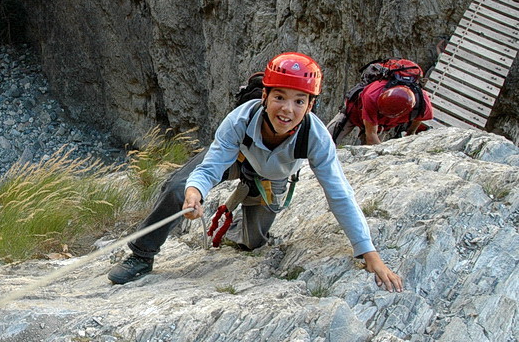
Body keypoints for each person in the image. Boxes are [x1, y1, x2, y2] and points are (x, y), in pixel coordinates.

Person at [108, 52, 403, 292]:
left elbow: (339, 194)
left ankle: (237, 225)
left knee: (251, 242)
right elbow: (211, 166)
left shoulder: (316, 137)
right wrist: (194, 193)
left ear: (311, 105)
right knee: (176, 188)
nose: (287, 109)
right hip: (235, 159)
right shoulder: (241, 119)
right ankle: (141, 256)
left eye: (299, 101)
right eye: (280, 97)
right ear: (265, 96)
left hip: (272, 177)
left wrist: (368, 253)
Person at [328, 58, 433, 145]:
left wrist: (411, 133)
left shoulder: (422, 103)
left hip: (381, 126)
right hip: (354, 112)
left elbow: (420, 116)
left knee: (369, 153)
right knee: (325, 140)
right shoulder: (372, 96)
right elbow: (371, 136)